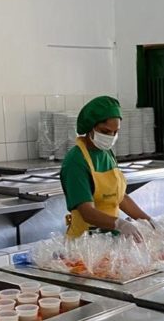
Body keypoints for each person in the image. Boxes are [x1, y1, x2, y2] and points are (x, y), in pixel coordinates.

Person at [59, 96, 151, 241]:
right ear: (91, 127)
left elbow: (120, 197)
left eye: (115, 132)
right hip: (85, 243)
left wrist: (148, 222)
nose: (111, 137)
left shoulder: (106, 153)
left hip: (109, 239)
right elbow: (87, 212)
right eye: (105, 131)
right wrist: (120, 224)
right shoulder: (75, 161)